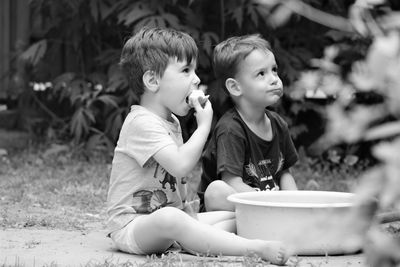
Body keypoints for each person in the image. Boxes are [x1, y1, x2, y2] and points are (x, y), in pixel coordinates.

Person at [106, 27, 292, 265]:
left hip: (175, 219)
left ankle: (205, 240)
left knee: (235, 213)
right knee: (171, 219)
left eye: (194, 70)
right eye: (186, 70)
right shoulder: (141, 122)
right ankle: (254, 247)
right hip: (134, 225)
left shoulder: (170, 121)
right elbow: (180, 166)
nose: (196, 79)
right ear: (153, 80)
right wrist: (204, 126)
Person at [199, 34, 299, 212]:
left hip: (266, 207)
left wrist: (296, 206)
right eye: (261, 73)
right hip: (228, 209)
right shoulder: (231, 129)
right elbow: (232, 183)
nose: (274, 78)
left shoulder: (278, 124)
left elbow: (284, 174)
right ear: (235, 87)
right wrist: (270, 203)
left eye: (274, 70)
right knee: (217, 191)